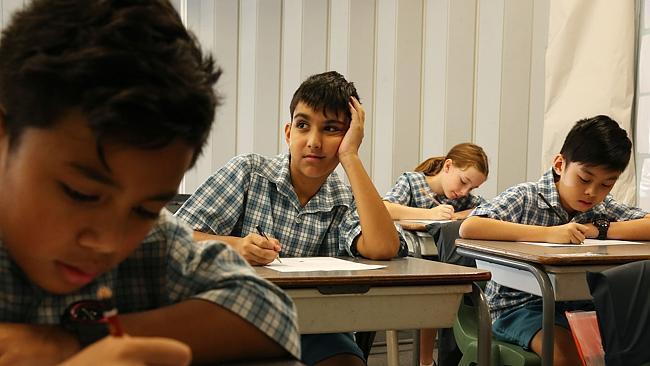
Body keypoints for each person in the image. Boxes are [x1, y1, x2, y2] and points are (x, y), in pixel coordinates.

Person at [0, 0, 300, 364]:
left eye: (145, 209)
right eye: (81, 193)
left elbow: (270, 312)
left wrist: (75, 341)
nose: (109, 243)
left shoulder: (154, 242)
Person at [175, 71, 402, 365]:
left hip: (313, 324)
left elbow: (383, 247)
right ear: (288, 132)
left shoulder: (345, 199)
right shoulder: (249, 172)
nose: (314, 142)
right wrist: (235, 246)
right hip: (236, 314)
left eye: (331, 129)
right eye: (303, 125)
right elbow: (176, 237)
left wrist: (351, 158)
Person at [459, 115, 650, 366]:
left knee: (631, 347)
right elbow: (470, 226)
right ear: (560, 164)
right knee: (565, 356)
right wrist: (549, 233)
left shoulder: (601, 207)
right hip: (518, 307)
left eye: (606, 184)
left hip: (582, 307)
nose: (592, 192)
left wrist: (599, 230)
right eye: (584, 179)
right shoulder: (527, 196)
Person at [383, 142, 488, 366]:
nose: (464, 192)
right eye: (463, 182)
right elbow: (384, 208)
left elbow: (486, 210)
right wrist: (429, 213)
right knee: (433, 284)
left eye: (472, 189)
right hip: (408, 261)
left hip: (439, 263)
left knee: (446, 278)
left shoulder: (462, 199)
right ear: (448, 166)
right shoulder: (412, 182)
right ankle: (425, 361)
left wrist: (458, 214)